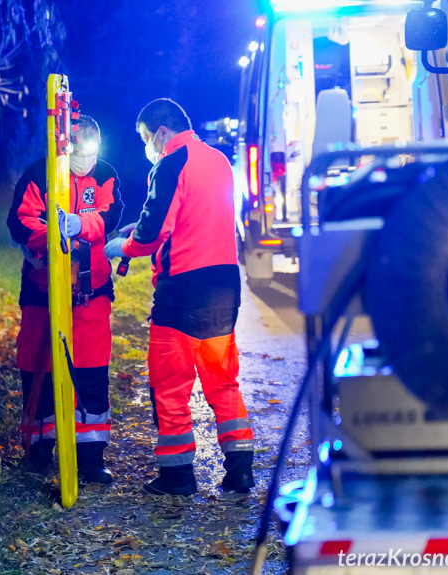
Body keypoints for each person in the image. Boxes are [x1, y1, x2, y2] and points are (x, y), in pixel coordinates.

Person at [104, 98, 254, 496]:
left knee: (170, 385)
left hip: (182, 292)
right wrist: (144, 227)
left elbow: (153, 234)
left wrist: (122, 247)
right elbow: (191, 216)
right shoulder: (219, 160)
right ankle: (240, 470)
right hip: (224, 286)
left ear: (161, 132)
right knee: (223, 382)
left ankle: (177, 476)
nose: (147, 146)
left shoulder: (171, 162)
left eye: (145, 137)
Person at [7, 115, 123, 483]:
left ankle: (90, 458)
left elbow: (109, 216)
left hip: (91, 293)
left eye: (93, 149)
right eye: (79, 149)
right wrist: (53, 234)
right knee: (36, 368)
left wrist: (79, 225)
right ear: (64, 146)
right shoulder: (39, 174)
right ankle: (38, 452)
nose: (87, 158)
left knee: (91, 372)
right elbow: (20, 223)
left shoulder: (104, 174)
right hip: (42, 292)